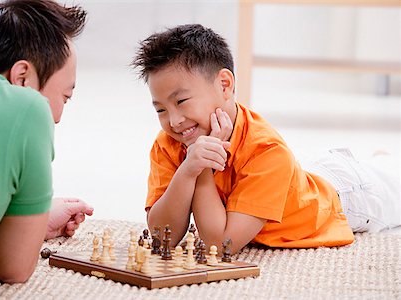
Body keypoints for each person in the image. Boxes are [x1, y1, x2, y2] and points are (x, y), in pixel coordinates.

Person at [131, 24, 401, 254]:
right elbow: (160, 236)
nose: (174, 120)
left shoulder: (268, 151)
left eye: (181, 101)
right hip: (297, 174)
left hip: (349, 194)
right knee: (303, 168)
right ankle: (373, 159)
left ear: (225, 85)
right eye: (161, 110)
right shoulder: (170, 143)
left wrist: (200, 169)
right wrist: (188, 169)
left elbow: (220, 244)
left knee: (391, 177)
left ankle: (381, 162)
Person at [0, 0, 94, 282]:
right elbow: (11, 267)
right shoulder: (28, 107)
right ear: (22, 78)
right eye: (65, 97)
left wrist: (27, 223)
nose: (58, 117)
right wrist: (30, 233)